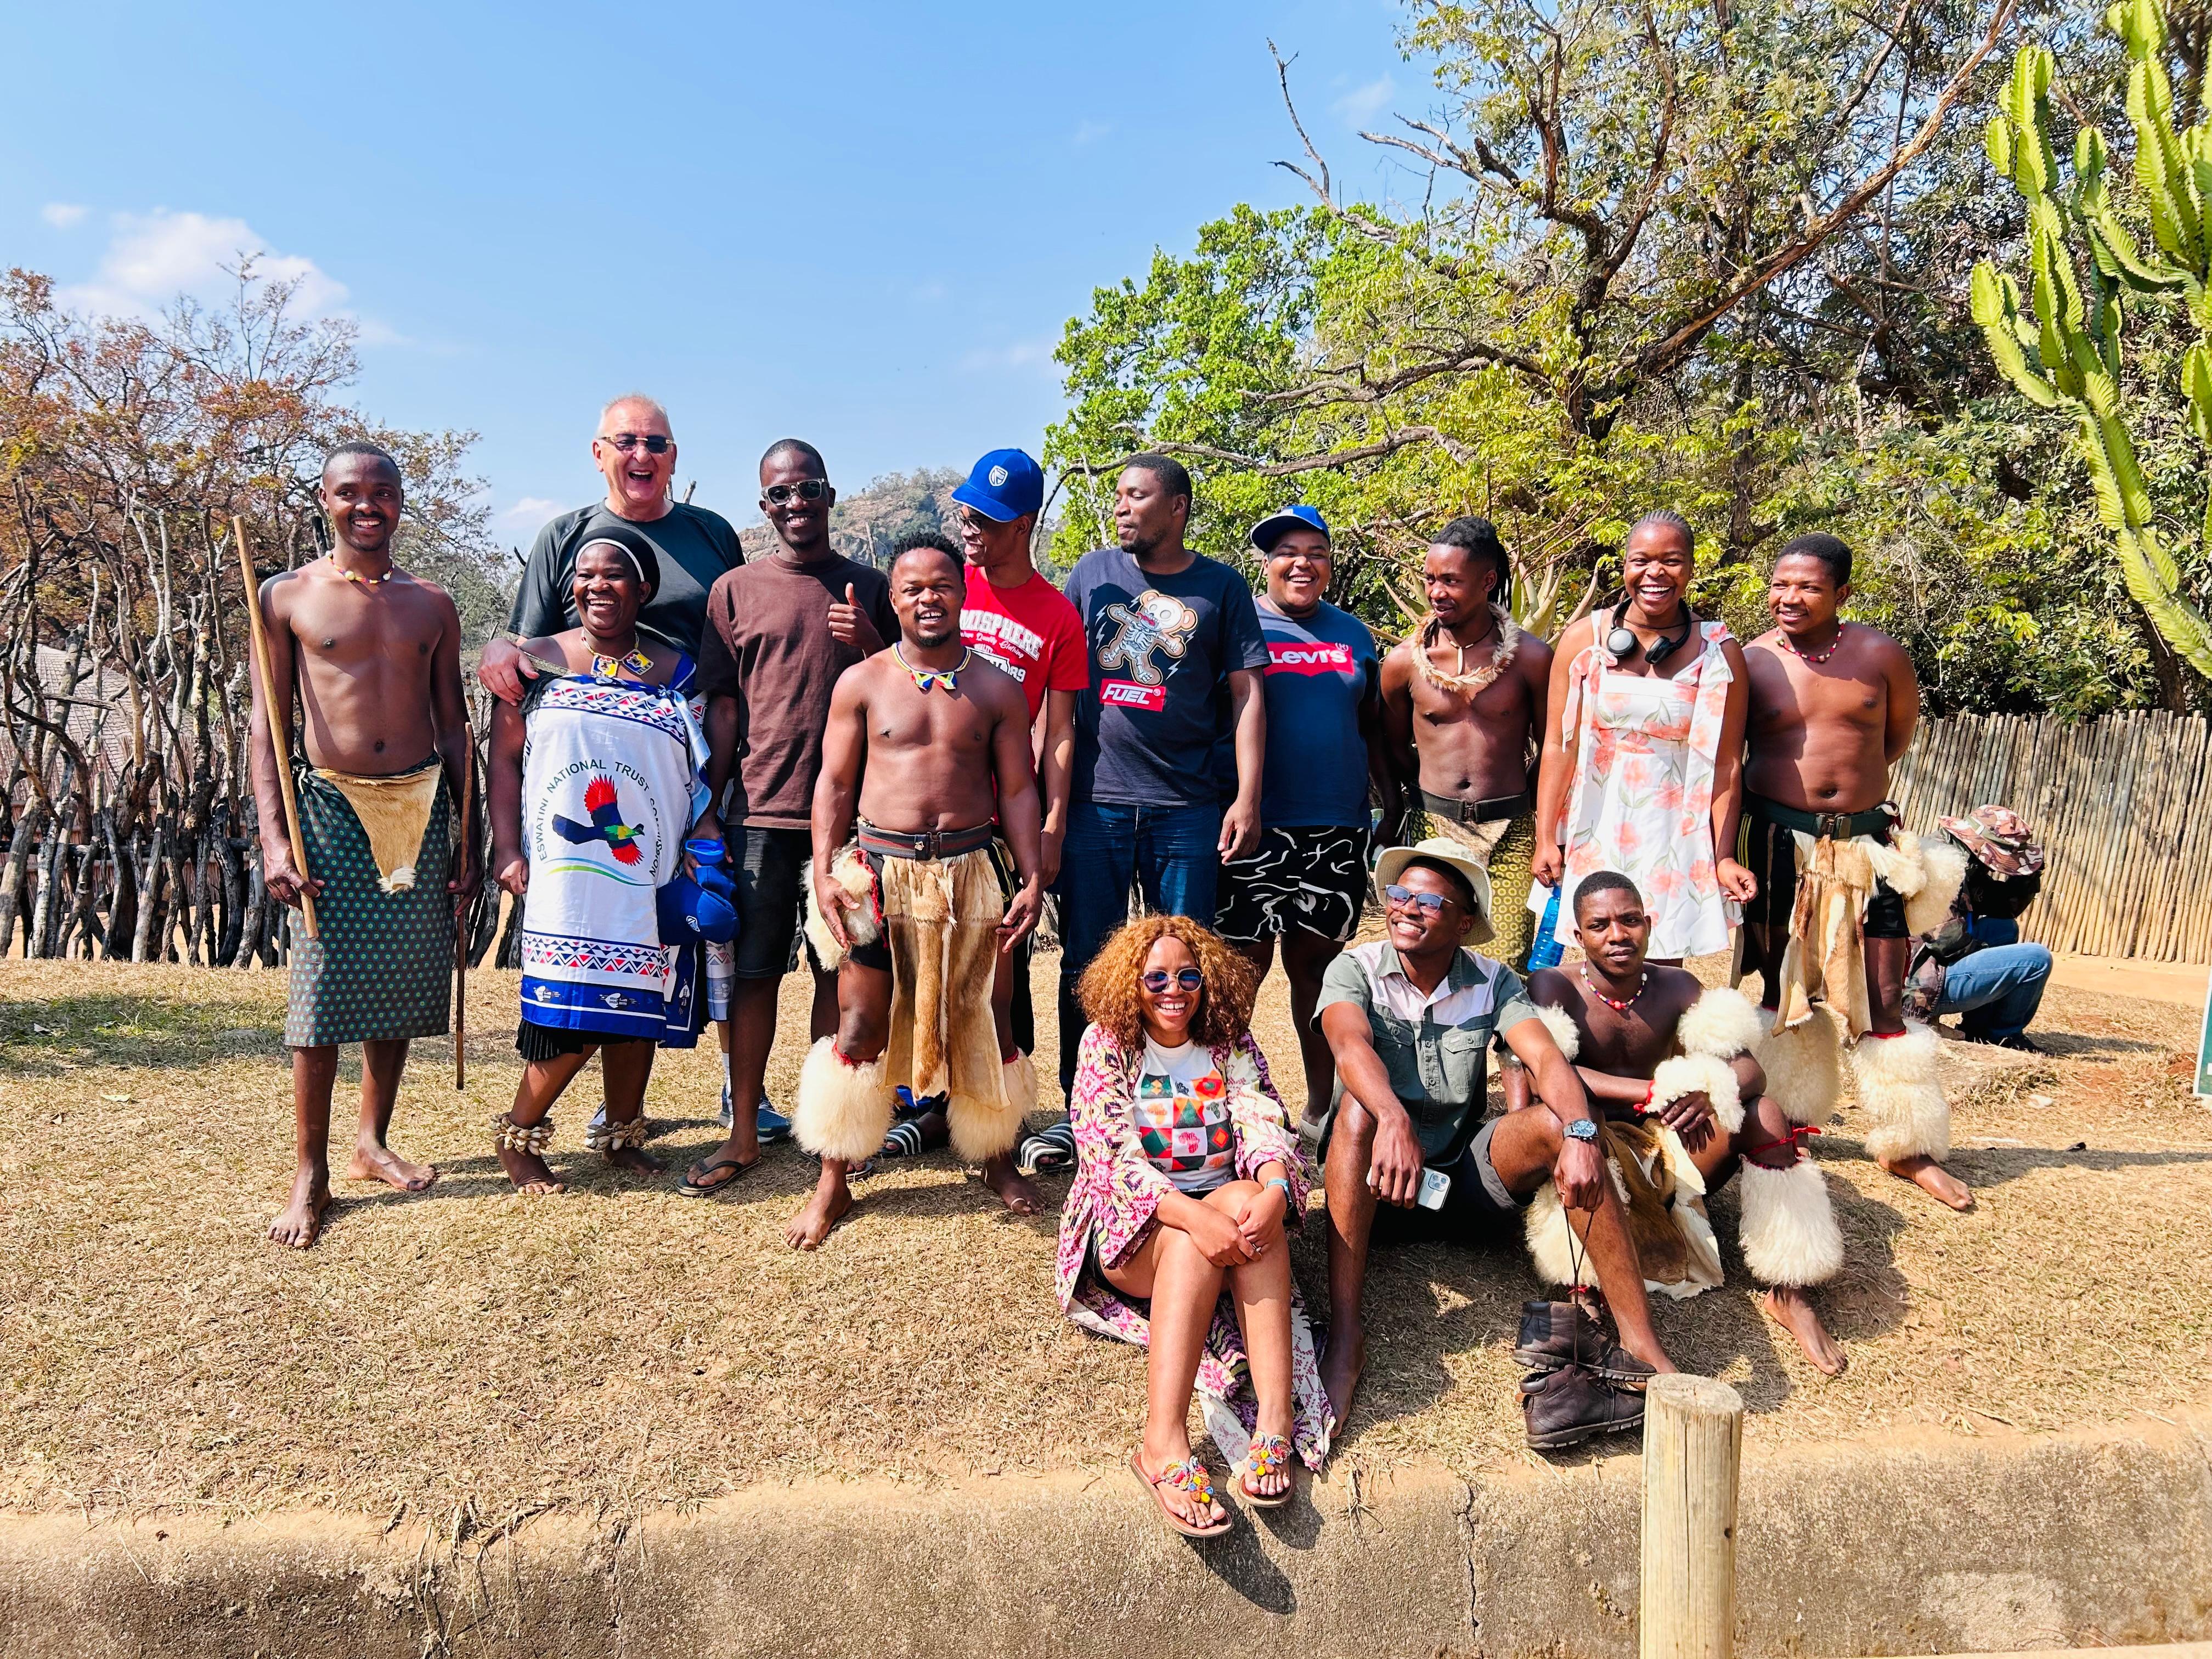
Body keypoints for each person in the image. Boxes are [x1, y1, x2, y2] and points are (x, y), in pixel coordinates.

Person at [1314, 839, 1667, 1449]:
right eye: (1399, 895)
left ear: (1465, 920)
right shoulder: (1356, 968)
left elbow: (1546, 1059)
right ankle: (1346, 1336)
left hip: (1456, 1179)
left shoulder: (1493, 981)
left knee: (1561, 1126)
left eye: (1429, 901)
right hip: (1374, 1182)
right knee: (1356, 1114)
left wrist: (1584, 1133)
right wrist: (1393, 1117)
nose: (1406, 909)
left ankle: (1643, 1346)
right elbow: (1350, 1048)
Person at [474, 394, 760, 1142]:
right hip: (582, 794)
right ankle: (528, 1128)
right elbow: (518, 660)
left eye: (657, 442)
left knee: (672, 949)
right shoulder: (564, 534)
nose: (643, 454)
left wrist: (711, 804)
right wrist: (507, 846)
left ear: (675, 455)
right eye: (626, 441)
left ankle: (713, 1106)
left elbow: (733, 658)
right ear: (598, 451)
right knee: (576, 969)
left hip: (682, 777)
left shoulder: (711, 535)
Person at [249, 442, 477, 1248]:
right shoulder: (286, 597)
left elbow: (455, 726)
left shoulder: (433, 604)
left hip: (420, 803)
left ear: (401, 501)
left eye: (383, 493)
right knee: (320, 995)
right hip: (329, 808)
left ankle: (371, 1141)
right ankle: (309, 1173)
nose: (367, 506)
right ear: (326, 500)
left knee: (397, 980)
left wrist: (469, 835)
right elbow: (267, 727)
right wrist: (277, 841)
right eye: (351, 494)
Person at [791, 533, 1047, 1246]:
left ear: (962, 593)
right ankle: (834, 1181)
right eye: (912, 588)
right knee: (860, 1027)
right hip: (877, 874)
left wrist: (1032, 876)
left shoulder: (996, 686)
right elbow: (835, 784)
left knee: (986, 1020)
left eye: (941, 585)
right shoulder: (864, 682)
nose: (927, 598)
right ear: (893, 599)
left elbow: (1020, 789)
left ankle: (996, 1160)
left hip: (970, 873)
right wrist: (822, 865)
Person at [1054, 914, 1329, 1536]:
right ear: (1132, 983)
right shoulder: (1106, 1044)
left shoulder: (1227, 1040)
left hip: (1218, 1204)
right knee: (1188, 1244)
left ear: (1208, 981)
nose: (1173, 989)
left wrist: (1275, 1190)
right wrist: (1194, 1218)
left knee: (1254, 1211)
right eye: (1156, 978)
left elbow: (1262, 1116)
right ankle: (1163, 1445)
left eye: (1187, 976)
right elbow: (1109, 1156)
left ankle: (1274, 1423)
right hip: (1137, 1231)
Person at [680, 441, 896, 1197]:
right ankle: (744, 1130)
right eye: (779, 494)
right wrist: (712, 800)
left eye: (808, 490)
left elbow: (908, 685)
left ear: (830, 495)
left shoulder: (872, 588)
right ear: (764, 506)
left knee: (841, 976)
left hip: (860, 822)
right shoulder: (734, 592)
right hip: (764, 814)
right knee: (755, 976)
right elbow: (724, 705)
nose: (795, 504)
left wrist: (872, 642)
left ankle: (827, 1129)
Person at [1525, 872, 1849, 1375]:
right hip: (1594, 1151)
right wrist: (1658, 1091)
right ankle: (1584, 1288)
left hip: (1675, 1150)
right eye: (1600, 924)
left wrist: (1708, 1088)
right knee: (1572, 1128)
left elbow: (1750, 1070)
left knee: (1766, 1113)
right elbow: (1553, 1072)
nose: (1617, 935)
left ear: (1650, 925)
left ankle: (1790, 1290)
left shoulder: (1677, 985)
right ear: (1578, 934)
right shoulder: (1552, 984)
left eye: (1630, 920)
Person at [1741, 534, 1971, 1212]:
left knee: (1883, 996)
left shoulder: (1881, 656)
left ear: (1842, 593)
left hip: (1867, 847)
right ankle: (1789, 1124)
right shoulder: (1752, 660)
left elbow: (1895, 738)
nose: (1790, 598)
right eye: (1781, 584)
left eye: (1809, 587)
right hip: (1778, 841)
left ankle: (1909, 1145)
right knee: (1780, 987)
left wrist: (1851, 805)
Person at [484, 526, 717, 1192]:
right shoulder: (534, 661)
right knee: (574, 1006)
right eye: (585, 575)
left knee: (639, 997)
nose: (597, 586)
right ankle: (519, 1134)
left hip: (650, 865)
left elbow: (696, 768)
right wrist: (506, 849)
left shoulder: (678, 670)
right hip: (566, 871)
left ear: (644, 589)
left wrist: (704, 841)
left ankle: (622, 1132)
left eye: (615, 575)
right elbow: (503, 762)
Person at [881, 449, 1085, 1170]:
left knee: (1002, 975)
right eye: (965, 513)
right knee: (922, 969)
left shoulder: (1057, 614)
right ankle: (929, 1107)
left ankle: (998, 1115)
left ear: (1024, 523)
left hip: (1005, 824)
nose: (970, 528)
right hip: (929, 824)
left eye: (988, 519)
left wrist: (1053, 825)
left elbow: (1058, 733)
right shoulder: (941, 586)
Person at [1056, 454, 1270, 1098]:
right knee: (1087, 961)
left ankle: (1182, 1099)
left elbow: (1248, 694)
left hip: (1188, 804)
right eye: (1118, 495)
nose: (1121, 507)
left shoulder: (1223, 587)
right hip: (1098, 801)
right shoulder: (1091, 575)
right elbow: (1059, 688)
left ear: (1177, 507)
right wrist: (1050, 801)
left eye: (1137, 495)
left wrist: (1247, 798)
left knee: (1186, 964)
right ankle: (1086, 1101)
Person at [1216, 505, 1389, 1133]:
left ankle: (1321, 1110)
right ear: (1265, 564)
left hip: (1336, 828)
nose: (1302, 563)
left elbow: (1370, 727)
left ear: (1330, 566)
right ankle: (1227, 1110)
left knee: (1318, 975)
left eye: (1316, 552)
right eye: (1287, 552)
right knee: (1240, 975)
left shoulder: (1354, 635)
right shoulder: (1239, 625)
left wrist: (1389, 802)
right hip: (1255, 826)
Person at [1533, 510, 1756, 961]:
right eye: (1641, 560)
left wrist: (1724, 852)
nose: (1655, 573)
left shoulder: (1717, 650)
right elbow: (1560, 745)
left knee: (1660, 954)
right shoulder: (1585, 638)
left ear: (1691, 568)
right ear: (1625, 566)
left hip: (1674, 830)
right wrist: (1544, 837)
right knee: (1588, 945)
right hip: (1593, 822)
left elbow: (1727, 761)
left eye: (1671, 561)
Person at [1380, 516, 1553, 970]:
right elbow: (1387, 743)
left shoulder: (1530, 658)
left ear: (1488, 581)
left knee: (1508, 960)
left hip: (1512, 829)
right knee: (1425, 952)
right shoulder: (1404, 662)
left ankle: (1499, 1044)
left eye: (1452, 581)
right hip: (1432, 826)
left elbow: (1553, 743)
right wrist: (1407, 806)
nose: (1437, 591)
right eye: (1430, 580)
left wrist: (1536, 816)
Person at [1905, 805, 2051, 1051]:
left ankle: (1979, 1028)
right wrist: (1988, 957)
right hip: (1916, 988)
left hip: (1923, 967)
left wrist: (2028, 877)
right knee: (2036, 961)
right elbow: (1948, 944)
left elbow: (2001, 907)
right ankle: (2002, 1036)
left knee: (2002, 928)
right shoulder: (1941, 867)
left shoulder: (1958, 855)